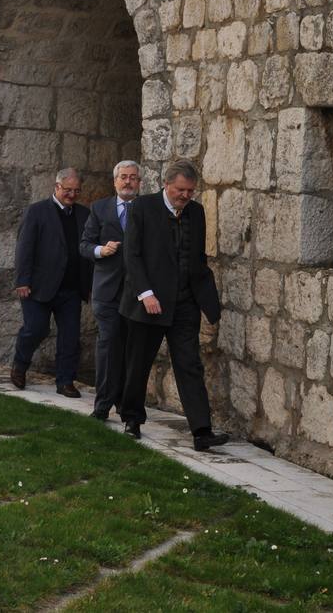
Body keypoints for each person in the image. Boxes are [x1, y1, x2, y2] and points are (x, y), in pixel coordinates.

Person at [119, 159, 228, 451]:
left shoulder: (197, 212)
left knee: (189, 365)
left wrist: (206, 300)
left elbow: (197, 260)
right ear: (166, 185)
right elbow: (133, 255)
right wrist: (146, 293)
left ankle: (202, 431)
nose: (185, 196)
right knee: (138, 364)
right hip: (149, 303)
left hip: (184, 305)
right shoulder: (141, 208)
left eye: (190, 191)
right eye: (181, 190)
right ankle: (131, 419)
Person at [9, 167, 93, 397]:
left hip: (71, 288)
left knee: (70, 338)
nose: (72, 195)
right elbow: (24, 248)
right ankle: (20, 364)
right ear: (56, 187)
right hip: (38, 287)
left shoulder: (84, 215)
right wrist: (22, 281)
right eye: (68, 190)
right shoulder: (37, 211)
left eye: (76, 191)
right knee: (35, 329)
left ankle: (65, 381)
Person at [79, 160, 141, 421]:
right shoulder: (100, 208)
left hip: (137, 293)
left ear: (139, 182)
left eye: (133, 178)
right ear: (115, 181)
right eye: (123, 177)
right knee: (108, 345)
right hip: (107, 292)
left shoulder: (147, 208)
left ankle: (126, 406)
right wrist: (100, 251)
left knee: (131, 349)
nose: (127, 182)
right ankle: (102, 405)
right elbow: (84, 244)